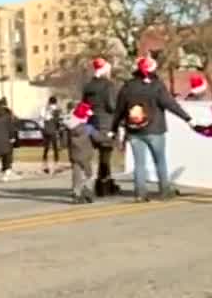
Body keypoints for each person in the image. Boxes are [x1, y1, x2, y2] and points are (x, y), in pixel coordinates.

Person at [109, 55, 196, 202]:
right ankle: (164, 191)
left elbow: (119, 110)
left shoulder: (128, 86)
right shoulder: (156, 86)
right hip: (155, 129)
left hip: (134, 130)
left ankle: (140, 194)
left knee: (139, 164)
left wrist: (114, 129)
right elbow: (170, 104)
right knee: (160, 161)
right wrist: (188, 119)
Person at [82, 57, 119, 197]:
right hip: (106, 124)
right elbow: (111, 105)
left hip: (91, 123)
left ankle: (95, 184)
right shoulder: (108, 85)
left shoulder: (88, 86)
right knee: (105, 156)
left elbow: (84, 105)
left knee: (92, 156)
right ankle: (103, 185)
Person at [66, 102, 113, 204]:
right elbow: (98, 138)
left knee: (76, 174)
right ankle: (87, 192)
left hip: (74, 154)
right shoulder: (88, 128)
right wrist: (108, 136)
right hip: (86, 155)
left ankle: (76, 193)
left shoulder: (69, 128)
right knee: (89, 174)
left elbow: (65, 141)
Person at [40, 96, 64, 173]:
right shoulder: (57, 110)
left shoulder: (44, 108)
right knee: (55, 148)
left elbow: (42, 119)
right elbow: (59, 121)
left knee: (46, 148)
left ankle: (44, 166)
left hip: (46, 130)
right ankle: (56, 165)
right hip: (53, 130)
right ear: (55, 102)